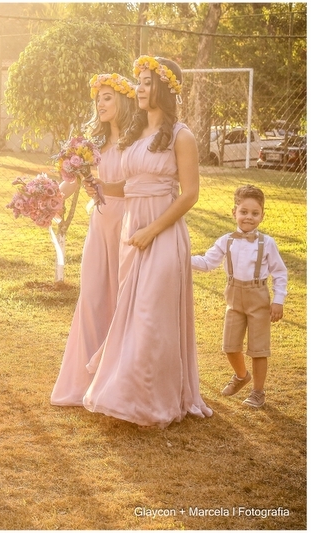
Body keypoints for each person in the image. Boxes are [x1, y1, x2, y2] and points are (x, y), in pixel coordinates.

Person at [82, 56, 213, 428]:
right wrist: (99, 187)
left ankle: (157, 401)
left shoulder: (180, 136)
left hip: (163, 233)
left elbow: (190, 195)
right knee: (132, 316)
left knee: (152, 316)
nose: (139, 88)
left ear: (165, 89)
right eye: (137, 82)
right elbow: (128, 186)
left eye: (145, 82)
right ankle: (130, 394)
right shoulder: (135, 134)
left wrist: (152, 230)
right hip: (132, 231)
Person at [50, 73, 137, 406]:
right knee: (93, 296)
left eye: (108, 98)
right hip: (100, 224)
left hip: (128, 223)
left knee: (121, 297)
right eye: (98, 99)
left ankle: (116, 380)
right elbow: (71, 183)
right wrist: (48, 198)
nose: (100, 104)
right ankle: (83, 382)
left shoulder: (136, 142)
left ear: (123, 101)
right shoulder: (92, 145)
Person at [191, 185, 287, 408]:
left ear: (262, 215)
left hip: (258, 299)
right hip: (233, 298)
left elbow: (280, 272)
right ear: (234, 212)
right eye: (244, 212)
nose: (249, 217)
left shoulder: (267, 243)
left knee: (258, 348)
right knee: (230, 346)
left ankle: (258, 392)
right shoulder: (227, 240)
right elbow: (207, 262)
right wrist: (183, 257)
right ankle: (242, 376)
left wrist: (278, 300)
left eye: (255, 213)